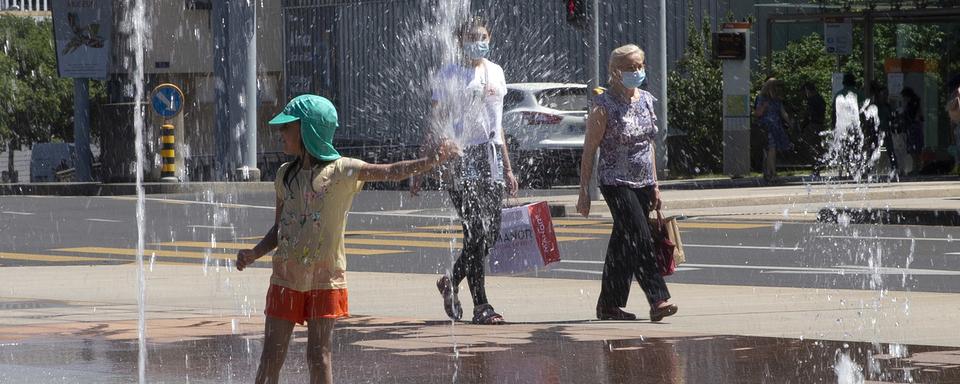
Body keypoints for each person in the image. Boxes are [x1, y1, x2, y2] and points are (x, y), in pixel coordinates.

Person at [236, 94, 457, 384]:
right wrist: (255, 253)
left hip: (324, 278)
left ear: (308, 130)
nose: (280, 134)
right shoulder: (284, 175)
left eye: (287, 127)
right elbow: (280, 227)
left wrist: (430, 162)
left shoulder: (341, 170)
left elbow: (390, 172)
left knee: (319, 356)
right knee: (270, 357)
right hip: (285, 277)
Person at [410, 16, 518, 325]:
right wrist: (421, 168)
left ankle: (451, 280)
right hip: (460, 157)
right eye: (471, 37)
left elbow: (498, 125)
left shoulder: (496, 71)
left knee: (490, 234)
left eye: (482, 36)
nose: (477, 42)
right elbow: (434, 123)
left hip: (492, 156)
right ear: (460, 41)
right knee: (475, 230)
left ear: (490, 37)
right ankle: (482, 306)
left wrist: (508, 169)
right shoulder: (450, 74)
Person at [576, 44, 677, 322]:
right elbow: (589, 150)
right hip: (615, 181)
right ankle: (658, 298)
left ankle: (608, 305)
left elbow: (649, 145)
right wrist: (584, 191)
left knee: (623, 243)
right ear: (615, 71)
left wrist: (655, 185)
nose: (638, 71)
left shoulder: (646, 99)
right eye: (631, 67)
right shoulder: (604, 106)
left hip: (643, 181)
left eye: (641, 65)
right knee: (640, 237)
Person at [754, 78, 793, 182]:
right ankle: (772, 172)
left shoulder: (777, 99)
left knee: (771, 150)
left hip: (776, 127)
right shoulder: (762, 98)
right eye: (774, 87)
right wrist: (764, 106)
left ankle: (768, 172)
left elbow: (783, 112)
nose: (776, 89)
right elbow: (758, 113)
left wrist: (789, 122)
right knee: (771, 149)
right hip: (767, 127)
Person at [801, 82, 826, 176]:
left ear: (807, 90)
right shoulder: (821, 99)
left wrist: (803, 125)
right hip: (820, 124)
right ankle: (818, 167)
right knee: (818, 146)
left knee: (812, 148)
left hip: (813, 125)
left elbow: (808, 114)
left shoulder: (811, 100)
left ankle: (815, 169)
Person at [900, 87, 924, 173]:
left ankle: (916, 167)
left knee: (914, 148)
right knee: (916, 149)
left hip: (913, 127)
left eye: (904, 97)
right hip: (914, 127)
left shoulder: (912, 104)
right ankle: (917, 166)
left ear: (907, 96)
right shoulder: (914, 102)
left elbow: (916, 115)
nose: (903, 99)